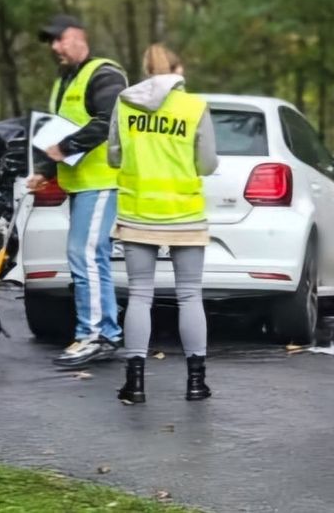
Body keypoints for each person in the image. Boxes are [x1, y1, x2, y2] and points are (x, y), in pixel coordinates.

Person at [108, 44, 217, 403]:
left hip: (138, 212)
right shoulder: (194, 107)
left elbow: (113, 155)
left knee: (140, 295)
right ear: (178, 70)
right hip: (185, 214)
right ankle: (196, 384)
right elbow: (208, 164)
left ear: (146, 70)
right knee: (189, 295)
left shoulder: (125, 104)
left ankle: (135, 385)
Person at [27, 14, 128, 368]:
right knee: (87, 256)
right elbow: (61, 130)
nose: (55, 47)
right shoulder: (66, 80)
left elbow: (108, 122)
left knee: (86, 255)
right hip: (80, 184)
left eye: (60, 39)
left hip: (101, 182)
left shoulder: (105, 74)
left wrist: (65, 148)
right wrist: (44, 170)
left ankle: (98, 335)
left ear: (79, 36)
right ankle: (101, 332)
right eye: (51, 42)